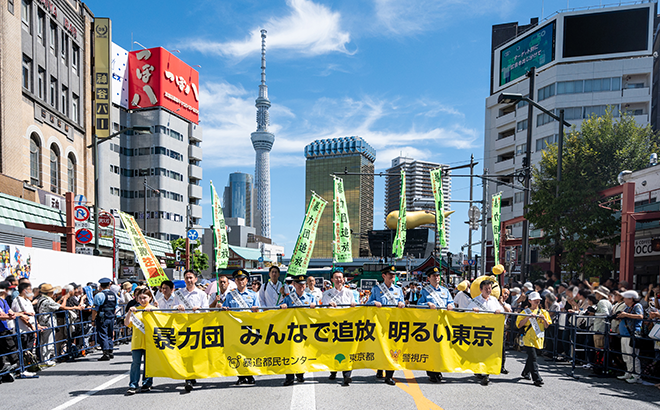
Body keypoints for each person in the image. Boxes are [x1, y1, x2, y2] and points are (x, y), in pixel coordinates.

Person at [367, 266, 405, 386]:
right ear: (384, 276)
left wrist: (401, 303)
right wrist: (374, 302)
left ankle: (389, 375)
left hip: (394, 323)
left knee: (392, 347)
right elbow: (368, 302)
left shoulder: (398, 290)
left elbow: (403, 302)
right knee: (380, 347)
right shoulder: (376, 289)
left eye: (393, 274)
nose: (392, 276)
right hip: (380, 323)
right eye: (390, 274)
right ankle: (380, 368)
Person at [223, 269, 261, 386]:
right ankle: (240, 376)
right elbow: (225, 308)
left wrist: (255, 310)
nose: (240, 282)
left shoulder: (253, 295)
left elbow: (258, 311)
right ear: (235, 281)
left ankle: (249, 374)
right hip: (235, 327)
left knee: (248, 352)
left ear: (247, 281)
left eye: (242, 279)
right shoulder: (230, 295)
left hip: (248, 328)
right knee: (237, 353)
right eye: (238, 280)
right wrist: (224, 308)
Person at [418, 266, 454, 383]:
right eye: (434, 276)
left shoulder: (445, 291)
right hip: (429, 324)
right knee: (431, 349)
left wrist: (450, 305)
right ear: (428, 278)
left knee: (441, 348)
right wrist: (427, 303)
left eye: (438, 276)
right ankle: (432, 372)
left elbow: (451, 302)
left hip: (443, 323)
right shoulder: (424, 291)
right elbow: (418, 304)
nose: (436, 278)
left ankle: (438, 369)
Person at [175, 270, 209, 392]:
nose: (189, 280)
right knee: (185, 353)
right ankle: (188, 378)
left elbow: (206, 310)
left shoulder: (201, 294)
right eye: (187, 278)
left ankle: (193, 374)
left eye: (191, 278)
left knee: (195, 353)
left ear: (195, 279)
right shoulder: (178, 293)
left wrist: (199, 309)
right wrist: (177, 307)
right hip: (183, 327)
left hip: (197, 326)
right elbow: (172, 308)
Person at [321, 269, 356, 386]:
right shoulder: (327, 294)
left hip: (347, 326)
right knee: (333, 349)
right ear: (332, 280)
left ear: (343, 279)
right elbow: (323, 311)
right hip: (333, 326)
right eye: (336, 277)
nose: (338, 280)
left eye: (340, 277)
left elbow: (357, 307)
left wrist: (353, 306)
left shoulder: (350, 293)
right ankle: (333, 370)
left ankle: (347, 375)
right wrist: (328, 305)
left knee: (347, 350)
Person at [280, 275, 317, 386]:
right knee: (290, 352)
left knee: (302, 351)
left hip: (305, 330)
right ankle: (289, 377)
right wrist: (282, 306)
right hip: (291, 330)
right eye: (298, 284)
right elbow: (278, 309)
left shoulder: (310, 298)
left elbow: (320, 313)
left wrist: (315, 307)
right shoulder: (288, 298)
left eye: (303, 284)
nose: (301, 287)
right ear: (294, 285)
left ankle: (300, 374)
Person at [467, 278, 503, 386]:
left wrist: (499, 311)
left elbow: (502, 311)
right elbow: (466, 313)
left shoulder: (494, 300)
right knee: (479, 352)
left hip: (491, 330)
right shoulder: (474, 301)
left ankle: (486, 374)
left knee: (488, 352)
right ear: (480, 289)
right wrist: (473, 311)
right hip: (479, 331)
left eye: (490, 288)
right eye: (486, 288)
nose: (488, 291)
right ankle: (478, 370)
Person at [35, 283, 81, 365]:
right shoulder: (47, 300)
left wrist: (61, 299)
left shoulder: (42, 299)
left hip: (43, 321)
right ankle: (45, 360)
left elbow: (56, 305)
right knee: (47, 342)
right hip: (48, 323)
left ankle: (45, 359)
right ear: (48, 293)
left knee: (44, 342)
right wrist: (66, 299)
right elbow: (61, 307)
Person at [516, 292, 552, 386]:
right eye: (535, 300)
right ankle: (537, 378)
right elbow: (519, 325)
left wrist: (544, 319)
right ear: (529, 301)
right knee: (533, 357)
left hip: (539, 338)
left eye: (538, 300)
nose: (537, 301)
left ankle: (525, 372)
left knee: (532, 357)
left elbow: (547, 326)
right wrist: (527, 317)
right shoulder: (525, 312)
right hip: (528, 337)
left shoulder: (544, 312)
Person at [125, 287, 155, 395]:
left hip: (150, 341)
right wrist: (129, 312)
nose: (142, 300)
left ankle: (147, 383)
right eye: (140, 298)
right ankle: (133, 384)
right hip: (137, 341)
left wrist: (152, 311)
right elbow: (127, 323)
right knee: (135, 363)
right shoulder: (135, 310)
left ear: (150, 298)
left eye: (145, 298)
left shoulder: (154, 309)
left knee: (149, 363)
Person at [616, 290, 644, 383]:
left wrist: (626, 315)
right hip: (624, 334)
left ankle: (636, 375)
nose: (623, 299)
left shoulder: (637, 306)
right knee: (626, 355)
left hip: (632, 334)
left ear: (631, 298)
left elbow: (640, 316)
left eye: (625, 298)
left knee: (632, 355)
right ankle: (629, 372)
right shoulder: (627, 307)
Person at [91, 278, 117, 361]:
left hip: (102, 317)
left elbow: (95, 309)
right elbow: (115, 307)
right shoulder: (113, 294)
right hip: (111, 316)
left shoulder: (99, 295)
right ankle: (110, 351)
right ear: (109, 285)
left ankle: (105, 353)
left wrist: (93, 320)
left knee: (103, 335)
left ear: (100, 286)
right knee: (109, 334)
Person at [0, 281, 19, 375]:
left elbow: (10, 311)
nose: (11, 290)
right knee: (11, 350)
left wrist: (15, 314)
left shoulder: (4, 301)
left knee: (9, 350)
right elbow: (1, 314)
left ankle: (8, 372)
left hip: (5, 328)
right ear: (4, 290)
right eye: (9, 288)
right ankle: (17, 370)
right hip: (1, 330)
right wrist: (9, 316)